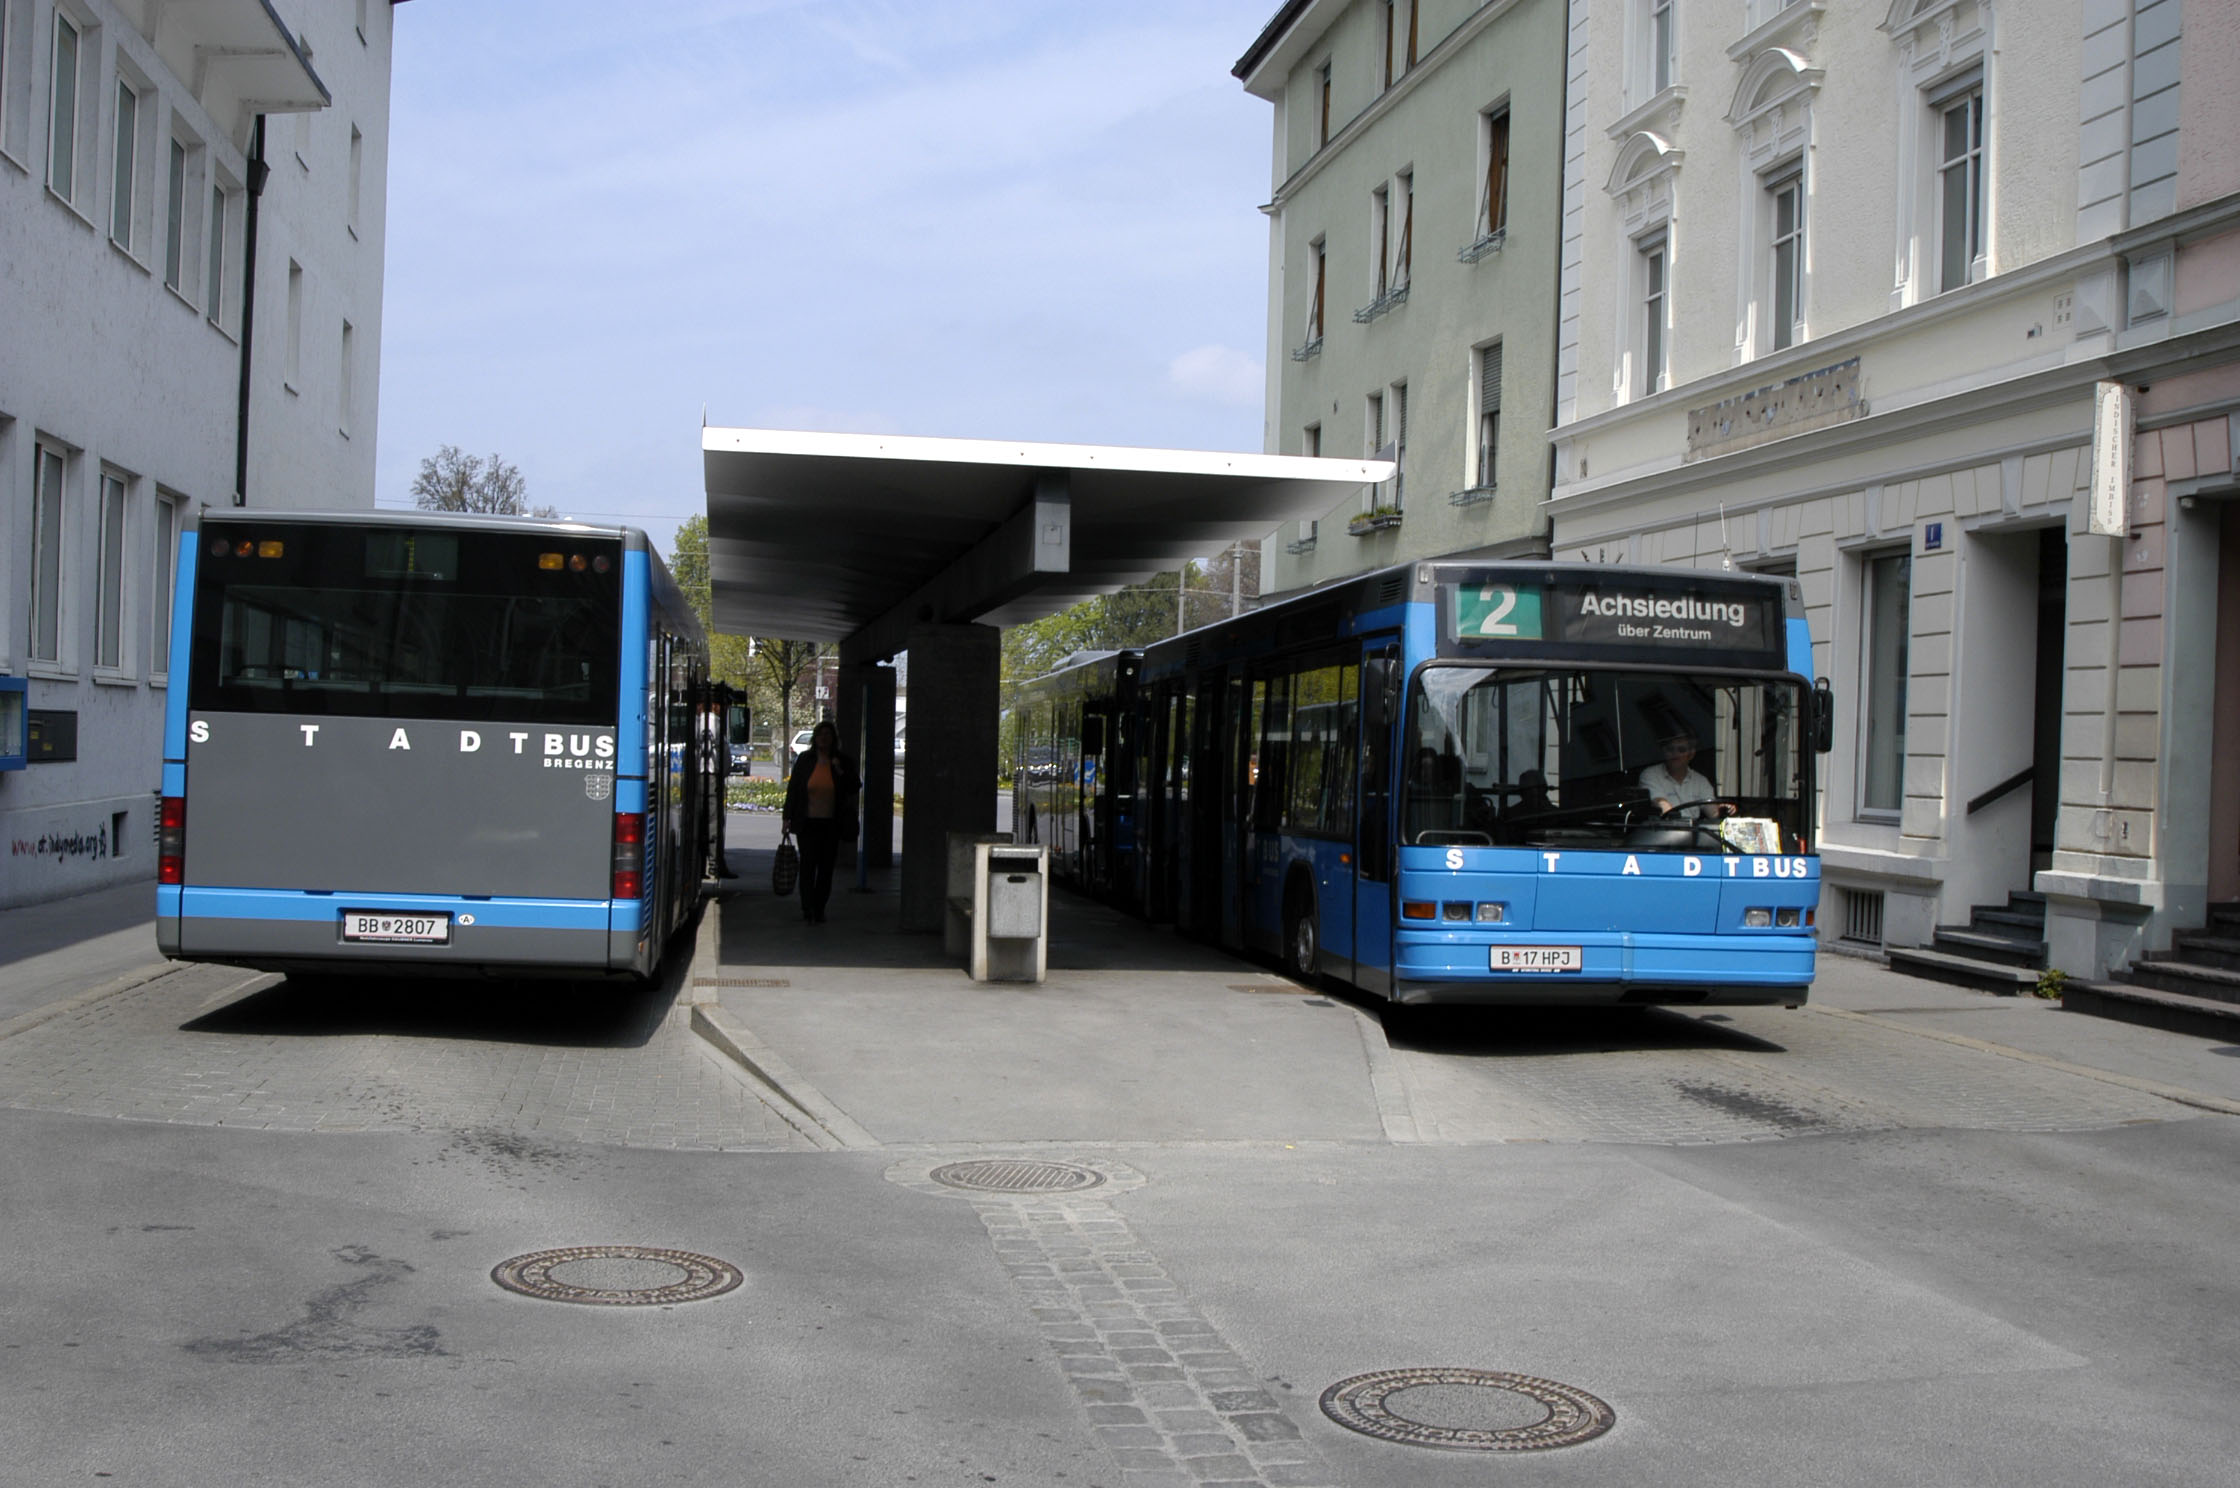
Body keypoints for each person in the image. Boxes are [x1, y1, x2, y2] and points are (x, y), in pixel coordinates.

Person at [782, 720, 859, 923]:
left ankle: (819, 908)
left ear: (834, 739)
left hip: (831, 824)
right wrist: (787, 817)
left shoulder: (842, 761)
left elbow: (854, 786)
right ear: (815, 739)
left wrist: (840, 770)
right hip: (807, 822)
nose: (824, 738)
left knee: (826, 868)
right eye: (820, 735)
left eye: (828, 735)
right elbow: (794, 790)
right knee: (807, 866)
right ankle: (807, 907)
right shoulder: (805, 760)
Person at [1639, 732, 1732, 820]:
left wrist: (1724, 810)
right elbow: (1661, 805)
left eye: (1681, 750)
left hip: (1692, 830)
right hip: (1663, 829)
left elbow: (1713, 813)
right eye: (1670, 749)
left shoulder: (1700, 781)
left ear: (1691, 754)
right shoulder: (1650, 774)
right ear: (1664, 752)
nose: (1675, 754)